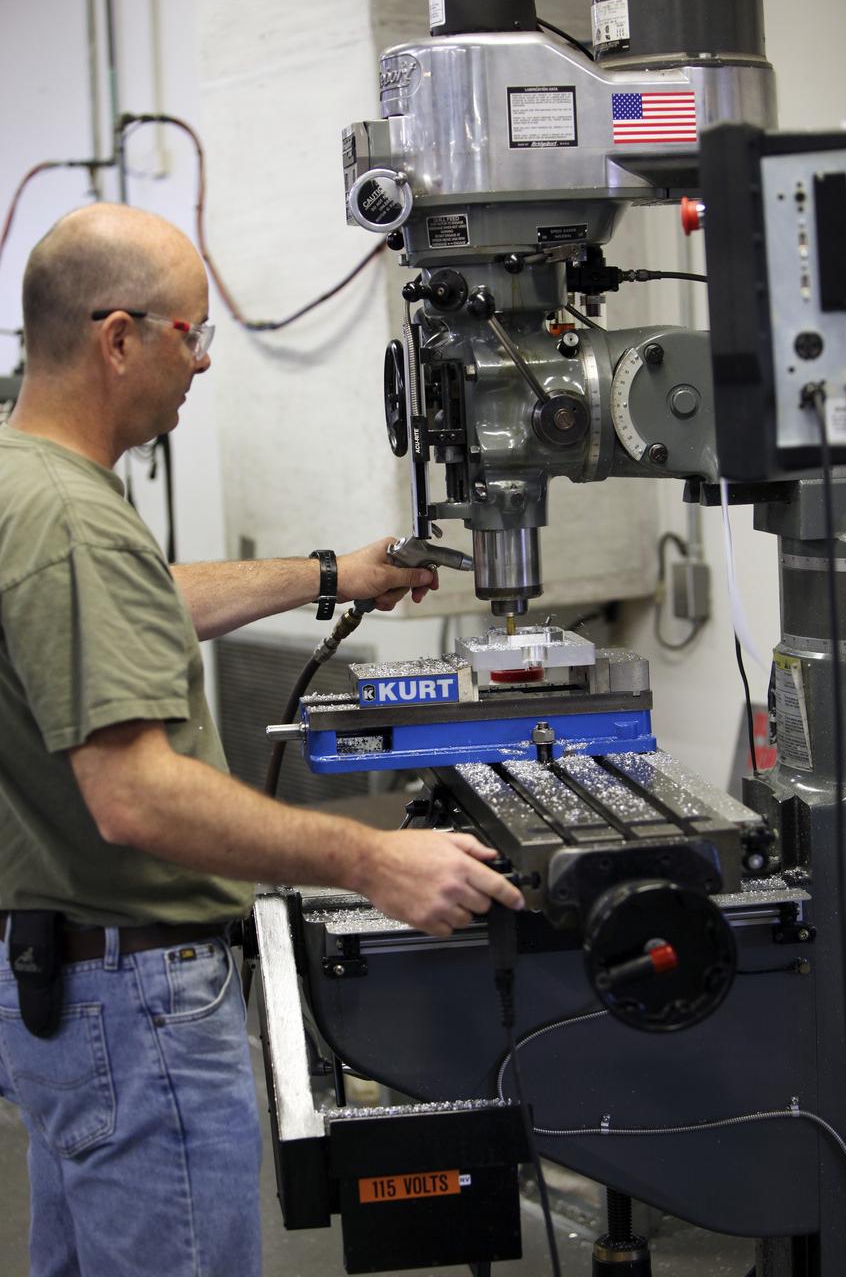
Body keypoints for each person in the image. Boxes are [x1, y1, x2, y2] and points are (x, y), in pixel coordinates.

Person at [0, 202, 523, 1277]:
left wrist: (333, 572)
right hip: (134, 1007)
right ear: (117, 339)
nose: (200, 363)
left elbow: (138, 600)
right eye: (192, 335)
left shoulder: (26, 483)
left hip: (63, 990)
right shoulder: (71, 518)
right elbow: (134, 794)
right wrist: (372, 858)